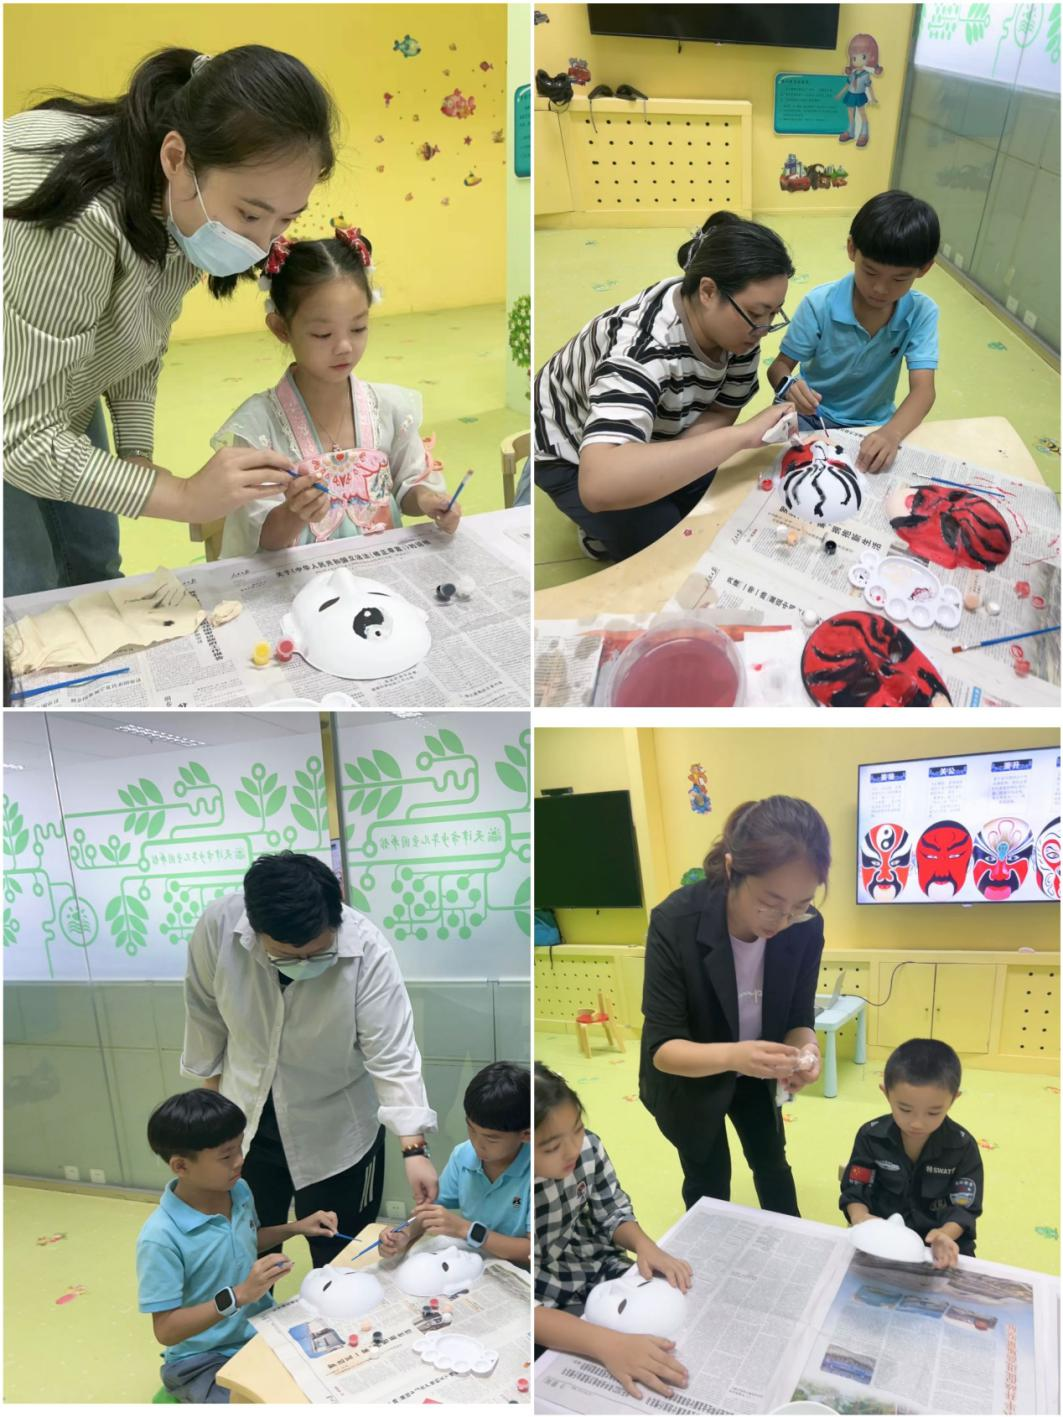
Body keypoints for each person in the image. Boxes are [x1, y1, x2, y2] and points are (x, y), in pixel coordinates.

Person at [3, 45, 336, 595]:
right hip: (14, 400)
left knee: (92, 562)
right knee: (24, 585)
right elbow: (21, 440)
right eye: (250, 214)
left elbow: (138, 333)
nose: (260, 245)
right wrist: (182, 496)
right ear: (176, 158)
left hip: (52, 387)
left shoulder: (183, 208)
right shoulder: (81, 222)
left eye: (284, 221)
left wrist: (136, 455)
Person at [181, 851, 438, 1269]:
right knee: (245, 1247)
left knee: (343, 1254)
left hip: (338, 1131)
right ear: (257, 932)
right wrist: (209, 1127)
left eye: (318, 954)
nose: (303, 965)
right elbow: (204, 1016)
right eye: (286, 956)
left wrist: (414, 1150)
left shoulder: (367, 948)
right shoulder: (219, 927)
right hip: (246, 1122)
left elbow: (393, 1054)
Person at [534, 210, 795, 562]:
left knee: (724, 507)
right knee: (668, 547)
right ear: (708, 291)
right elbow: (598, 483)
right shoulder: (643, 349)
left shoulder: (737, 327)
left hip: (656, 432)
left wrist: (671, 465)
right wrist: (743, 437)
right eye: (756, 313)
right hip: (569, 449)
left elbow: (723, 408)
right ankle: (600, 532)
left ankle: (640, 496)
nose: (763, 328)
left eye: (773, 313)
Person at [215, 228, 461, 557]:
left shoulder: (390, 408)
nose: (344, 346)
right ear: (281, 328)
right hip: (301, 584)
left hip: (382, 576)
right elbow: (259, 538)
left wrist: (428, 499)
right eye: (323, 334)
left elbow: (410, 485)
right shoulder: (259, 428)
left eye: (358, 328)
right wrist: (294, 513)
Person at [640, 797, 830, 1216]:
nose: (782, 920)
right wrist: (735, 1056)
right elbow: (664, 1048)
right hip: (693, 1075)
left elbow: (798, 1018)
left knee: (772, 1163)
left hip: (758, 1072)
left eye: (800, 905)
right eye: (769, 902)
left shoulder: (805, 927)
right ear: (731, 870)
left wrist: (807, 1051)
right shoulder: (676, 921)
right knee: (707, 1180)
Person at [137, 1088, 339, 1403]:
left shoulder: (239, 1191)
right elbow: (166, 1330)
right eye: (226, 1156)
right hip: (201, 1360)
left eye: (240, 1148)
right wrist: (239, 1295)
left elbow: (246, 1240)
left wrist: (297, 1227)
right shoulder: (160, 1237)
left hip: (260, 1331)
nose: (240, 1161)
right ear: (181, 1166)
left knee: (336, 1366)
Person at [533, 1062, 693, 1402]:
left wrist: (644, 1244)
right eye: (551, 1147)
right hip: (544, 1296)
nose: (572, 1150)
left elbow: (611, 1210)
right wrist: (608, 1345)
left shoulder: (588, 1148)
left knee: (674, 1305)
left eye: (577, 1129)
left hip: (594, 1264)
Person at [766, 190, 939, 472]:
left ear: (924, 269)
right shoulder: (819, 304)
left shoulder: (922, 312)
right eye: (870, 272)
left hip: (873, 424)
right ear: (851, 249)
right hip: (811, 415)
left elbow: (923, 390)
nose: (880, 289)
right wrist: (788, 387)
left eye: (899, 279)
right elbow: (779, 368)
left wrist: (892, 433)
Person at [840, 1037, 983, 1268]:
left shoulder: (962, 1146)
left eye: (933, 1113)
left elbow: (965, 1207)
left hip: (938, 1248)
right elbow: (855, 1191)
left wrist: (945, 1234)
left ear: (953, 1099)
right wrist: (861, 1218)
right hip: (883, 1240)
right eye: (905, 1109)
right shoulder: (871, 1136)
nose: (917, 1123)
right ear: (886, 1094)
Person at [379, 1061, 531, 1265]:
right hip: (473, 1263)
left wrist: (465, 1229)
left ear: (526, 1134)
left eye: (491, 1138)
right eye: (471, 1129)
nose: (477, 1144)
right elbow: (431, 1210)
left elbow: (531, 1251)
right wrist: (403, 1234)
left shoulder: (537, 1172)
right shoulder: (464, 1155)